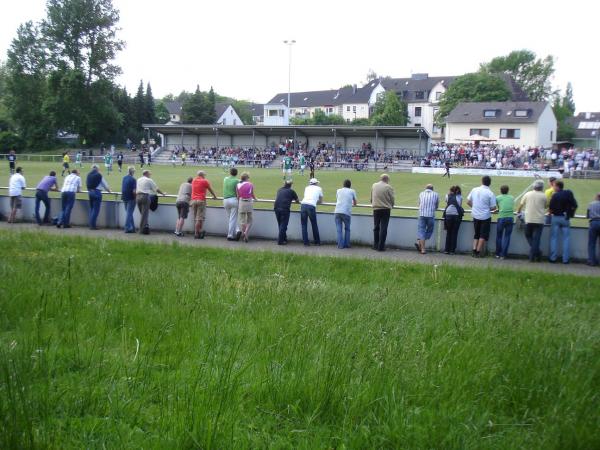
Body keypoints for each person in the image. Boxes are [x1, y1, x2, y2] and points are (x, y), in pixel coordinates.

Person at [517, 180, 547, 262]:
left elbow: (521, 205)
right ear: (542, 187)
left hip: (529, 219)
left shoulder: (528, 194)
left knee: (528, 235)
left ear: (534, 186)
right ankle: (536, 254)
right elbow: (545, 206)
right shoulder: (544, 196)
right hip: (539, 220)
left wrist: (518, 211)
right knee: (536, 239)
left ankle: (534, 255)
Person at [548, 180, 578, 264]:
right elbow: (575, 205)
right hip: (565, 218)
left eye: (554, 186)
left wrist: (550, 213)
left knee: (554, 238)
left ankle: (553, 258)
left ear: (557, 186)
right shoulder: (568, 193)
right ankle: (565, 259)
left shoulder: (555, 195)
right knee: (566, 239)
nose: (553, 187)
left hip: (556, 218)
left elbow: (550, 208)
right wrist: (571, 214)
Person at [467, 176, 497, 257]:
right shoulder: (490, 193)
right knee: (483, 235)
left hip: (475, 215)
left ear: (482, 181)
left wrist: (475, 207)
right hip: (485, 216)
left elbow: (468, 202)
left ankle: (474, 250)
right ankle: (478, 251)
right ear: (489, 183)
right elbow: (493, 207)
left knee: (476, 233)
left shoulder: (474, 189)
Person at [136, 170, 166, 234]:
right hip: (144, 197)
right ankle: (142, 230)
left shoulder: (138, 179)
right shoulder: (149, 180)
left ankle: (145, 228)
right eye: (149, 174)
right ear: (146, 174)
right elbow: (156, 189)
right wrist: (163, 193)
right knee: (144, 215)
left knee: (142, 214)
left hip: (138, 197)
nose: (150, 175)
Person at [371, 174, 395, 251]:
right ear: (387, 180)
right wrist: (392, 205)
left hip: (376, 209)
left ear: (381, 179)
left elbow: (371, 196)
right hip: (385, 209)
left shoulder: (374, 185)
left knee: (376, 227)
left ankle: (375, 245)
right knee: (383, 228)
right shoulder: (389, 187)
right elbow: (392, 199)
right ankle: (381, 247)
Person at [190, 170, 217, 239]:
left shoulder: (193, 180)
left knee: (195, 218)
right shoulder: (204, 181)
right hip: (201, 200)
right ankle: (196, 233)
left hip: (193, 200)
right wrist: (214, 196)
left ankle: (199, 231)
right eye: (204, 175)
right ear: (202, 175)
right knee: (199, 218)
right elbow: (210, 189)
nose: (205, 176)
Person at [415, 184, 439, 255]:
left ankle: (420, 244)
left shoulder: (421, 193)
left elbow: (419, 204)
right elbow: (436, 205)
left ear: (426, 188)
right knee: (430, 230)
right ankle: (422, 247)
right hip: (431, 215)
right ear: (432, 189)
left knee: (421, 231)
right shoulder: (436, 194)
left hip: (422, 215)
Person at [274, 180, 299, 245]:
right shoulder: (291, 191)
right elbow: (297, 201)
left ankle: (284, 238)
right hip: (284, 209)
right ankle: (280, 241)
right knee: (284, 225)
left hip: (276, 208)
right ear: (290, 185)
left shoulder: (279, 190)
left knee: (280, 224)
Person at [86, 165, 111, 230]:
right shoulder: (99, 175)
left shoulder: (89, 175)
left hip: (90, 192)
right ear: (97, 169)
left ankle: (91, 224)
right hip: (97, 192)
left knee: (92, 209)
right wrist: (109, 191)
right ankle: (92, 226)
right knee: (96, 210)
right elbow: (105, 185)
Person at [334, 179, 357, 249]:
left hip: (337, 211)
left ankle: (340, 245)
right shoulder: (352, 191)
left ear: (343, 185)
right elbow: (355, 202)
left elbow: (338, 199)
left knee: (339, 229)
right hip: (346, 212)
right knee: (347, 229)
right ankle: (347, 244)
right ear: (350, 185)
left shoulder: (338, 190)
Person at [300, 178, 323, 246]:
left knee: (304, 224)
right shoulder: (319, 188)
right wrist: (316, 201)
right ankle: (317, 242)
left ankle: (306, 242)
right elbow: (321, 200)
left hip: (303, 205)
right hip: (311, 206)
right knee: (314, 224)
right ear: (316, 183)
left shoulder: (306, 188)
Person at [494, 185, 515, 259]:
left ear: (500, 190)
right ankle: (503, 255)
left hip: (501, 217)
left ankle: (497, 254)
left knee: (499, 236)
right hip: (510, 217)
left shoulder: (498, 198)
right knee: (507, 236)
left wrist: (498, 209)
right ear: (508, 190)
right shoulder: (512, 197)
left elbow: (497, 206)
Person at [237, 172, 257, 242]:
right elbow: (252, 194)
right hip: (249, 202)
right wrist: (256, 199)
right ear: (246, 178)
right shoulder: (250, 184)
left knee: (242, 220)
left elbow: (238, 195)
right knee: (250, 219)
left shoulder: (238, 184)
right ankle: (246, 232)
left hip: (241, 202)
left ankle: (244, 233)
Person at [443, 186, 463, 254]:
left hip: (448, 215)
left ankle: (446, 250)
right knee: (454, 233)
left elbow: (446, 202)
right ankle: (452, 250)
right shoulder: (460, 197)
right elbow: (460, 205)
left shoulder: (447, 196)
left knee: (448, 233)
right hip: (457, 216)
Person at [223, 168, 241, 241]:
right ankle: (230, 234)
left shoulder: (225, 179)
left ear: (230, 172)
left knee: (230, 218)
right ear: (236, 173)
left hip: (225, 200)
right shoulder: (237, 181)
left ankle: (237, 230)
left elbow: (226, 177)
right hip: (233, 200)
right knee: (232, 218)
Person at [121, 166, 137, 233]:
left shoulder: (124, 178)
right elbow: (134, 191)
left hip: (124, 197)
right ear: (133, 172)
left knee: (129, 213)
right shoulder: (133, 179)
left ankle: (133, 228)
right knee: (129, 213)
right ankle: (127, 228)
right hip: (130, 197)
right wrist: (135, 197)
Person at [587, 193, 600, 266]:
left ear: (597, 197)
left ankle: (591, 261)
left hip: (593, 223)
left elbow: (587, 215)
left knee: (592, 243)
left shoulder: (591, 204)